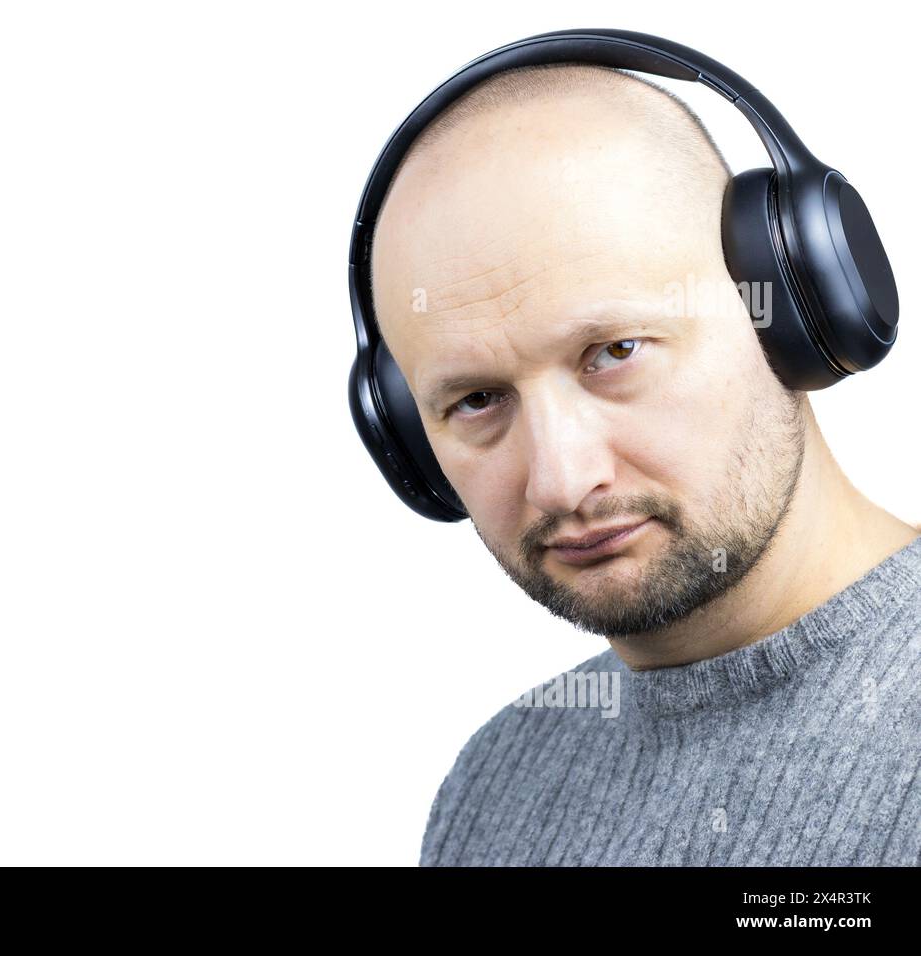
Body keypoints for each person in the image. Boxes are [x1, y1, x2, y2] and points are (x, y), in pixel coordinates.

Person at [368, 62, 921, 866]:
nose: (562, 480)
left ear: (791, 308)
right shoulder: (493, 790)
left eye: (614, 352)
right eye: (478, 400)